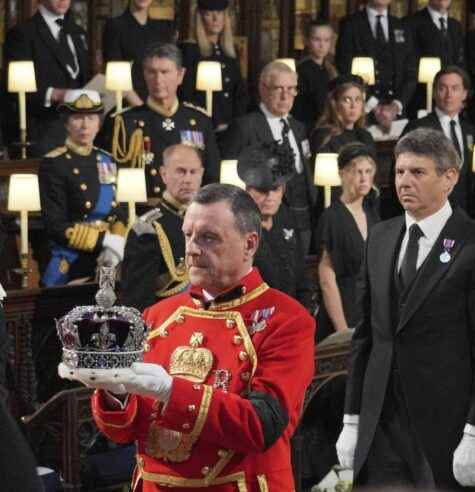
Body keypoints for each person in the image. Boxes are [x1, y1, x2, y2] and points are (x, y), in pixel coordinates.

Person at [61, 183, 315, 491]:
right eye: (188, 235)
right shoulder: (156, 315)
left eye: (208, 237)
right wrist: (116, 393)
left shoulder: (286, 319)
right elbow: (123, 433)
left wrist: (171, 390)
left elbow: (260, 427)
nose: (192, 248)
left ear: (250, 244)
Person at [335, 128, 475, 490]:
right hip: (381, 423)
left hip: (446, 428)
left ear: (449, 178)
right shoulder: (381, 237)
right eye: (400, 172)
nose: (404, 181)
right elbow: (365, 338)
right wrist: (351, 419)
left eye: (417, 172)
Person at [102, 43, 221, 200]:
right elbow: (108, 178)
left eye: (165, 72)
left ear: (180, 75)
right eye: (152, 72)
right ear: (144, 74)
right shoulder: (125, 122)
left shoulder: (198, 121)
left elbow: (212, 176)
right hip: (142, 214)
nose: (158, 79)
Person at [220, 61, 316, 253]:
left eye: (291, 89)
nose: (285, 95)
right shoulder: (245, 127)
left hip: (303, 220)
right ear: (263, 89)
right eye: (278, 88)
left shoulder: (299, 127)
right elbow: (229, 178)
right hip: (264, 221)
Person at [38, 90, 127, 287]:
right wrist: (103, 240)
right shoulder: (54, 163)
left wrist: (115, 243)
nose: (85, 125)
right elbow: (55, 225)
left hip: (107, 257)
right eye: (78, 118)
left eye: (91, 118)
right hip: (72, 258)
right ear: (67, 123)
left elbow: (118, 211)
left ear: (99, 123)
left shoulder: (107, 160)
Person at [121, 144, 203, 311]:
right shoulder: (147, 228)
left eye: (193, 172)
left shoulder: (210, 220)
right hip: (167, 322)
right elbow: (138, 300)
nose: (188, 179)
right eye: (180, 171)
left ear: (201, 174)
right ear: (164, 174)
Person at [4, 0, 90, 156]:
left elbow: (82, 78)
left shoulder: (78, 32)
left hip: (81, 132)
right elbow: (14, 89)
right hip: (42, 132)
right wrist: (55, 94)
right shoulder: (22, 34)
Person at [316, 143, 380, 343]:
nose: (363, 178)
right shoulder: (332, 217)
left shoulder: (372, 213)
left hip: (369, 315)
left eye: (368, 171)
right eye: (357, 171)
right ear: (342, 174)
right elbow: (327, 280)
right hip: (343, 317)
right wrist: (342, 331)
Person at [239, 143, 309, 305]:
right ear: (247, 189)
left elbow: (302, 274)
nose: (270, 196)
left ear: (283, 190)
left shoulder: (287, 218)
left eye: (275, 189)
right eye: (262, 190)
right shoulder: (237, 229)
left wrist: (305, 311)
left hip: (294, 315)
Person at [402, 66, 475, 212]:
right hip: (429, 210)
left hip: (463, 212)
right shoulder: (419, 128)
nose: (449, 95)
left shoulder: (470, 129)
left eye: (455, 88)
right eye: (443, 88)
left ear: (464, 94)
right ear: (434, 92)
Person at [336, 0, 417, 131]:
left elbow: (411, 73)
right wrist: (375, 106)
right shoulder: (350, 24)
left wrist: (395, 106)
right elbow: (344, 69)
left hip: (398, 116)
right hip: (363, 113)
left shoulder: (402, 25)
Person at [180, 0, 248, 132]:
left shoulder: (230, 52)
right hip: (203, 128)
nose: (216, 19)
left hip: (231, 129)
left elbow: (240, 94)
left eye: (220, 13)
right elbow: (186, 96)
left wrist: (236, 124)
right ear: (200, 18)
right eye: (209, 14)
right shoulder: (190, 51)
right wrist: (212, 124)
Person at [102, 0, 173, 107]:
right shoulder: (115, 26)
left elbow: (167, 70)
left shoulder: (161, 29)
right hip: (128, 104)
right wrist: (141, 107)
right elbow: (116, 75)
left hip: (158, 103)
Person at [405, 0, 466, 117]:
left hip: (452, 104)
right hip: (421, 103)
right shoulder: (411, 23)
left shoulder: (456, 26)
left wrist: (461, 98)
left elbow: (461, 64)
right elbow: (409, 67)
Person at [310, 75, 375, 154]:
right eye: (347, 100)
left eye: (358, 99)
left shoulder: (366, 136)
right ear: (335, 104)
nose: (353, 105)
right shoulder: (324, 135)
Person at [294, 18, 338, 132]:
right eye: (316, 39)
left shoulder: (330, 69)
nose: (322, 45)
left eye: (326, 40)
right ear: (307, 41)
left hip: (329, 127)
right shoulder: (302, 71)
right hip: (310, 129)